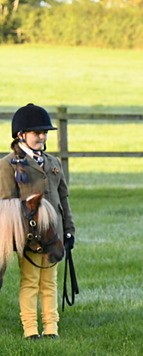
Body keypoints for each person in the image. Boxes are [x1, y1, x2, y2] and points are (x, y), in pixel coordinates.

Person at [1, 103, 75, 339]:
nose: (42, 137)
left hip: (53, 235)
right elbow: (6, 206)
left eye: (44, 133)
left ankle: (52, 327)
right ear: (21, 135)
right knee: (30, 281)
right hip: (30, 235)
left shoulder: (53, 163)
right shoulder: (8, 165)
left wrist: (69, 229)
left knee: (50, 282)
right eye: (37, 133)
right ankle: (30, 329)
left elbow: (63, 198)